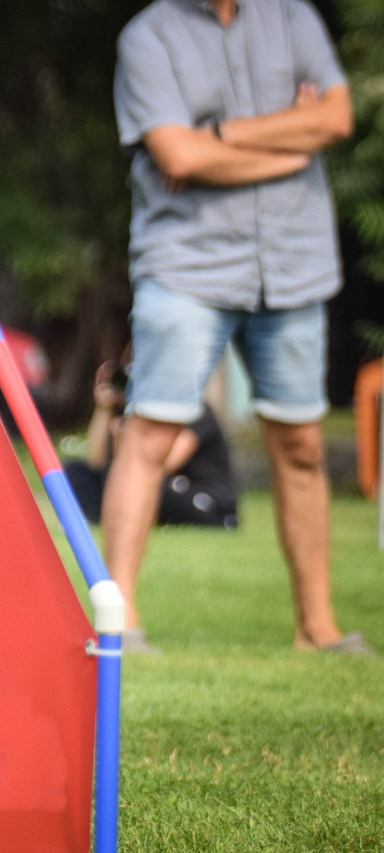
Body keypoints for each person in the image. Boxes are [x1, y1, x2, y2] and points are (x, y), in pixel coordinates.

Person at [108, 0, 374, 655]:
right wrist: (291, 141)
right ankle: (120, 626)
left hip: (293, 261)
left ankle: (318, 629)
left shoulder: (294, 19)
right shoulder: (148, 36)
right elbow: (178, 153)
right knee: (150, 434)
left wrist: (223, 135)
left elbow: (337, 116)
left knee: (304, 446)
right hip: (187, 263)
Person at [65, 361, 238, 529]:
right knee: (76, 471)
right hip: (160, 489)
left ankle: (116, 518)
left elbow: (165, 464)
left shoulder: (196, 410)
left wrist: (127, 439)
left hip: (200, 498)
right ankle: (102, 519)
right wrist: (104, 409)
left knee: (144, 485)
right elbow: (98, 462)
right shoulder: (130, 413)